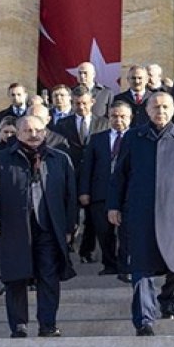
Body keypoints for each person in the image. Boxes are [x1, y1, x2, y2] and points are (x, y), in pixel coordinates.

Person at [108, 92, 174, 336]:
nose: (160, 111)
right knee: (141, 267)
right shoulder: (133, 137)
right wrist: (114, 205)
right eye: (155, 107)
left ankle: (168, 299)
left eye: (165, 107)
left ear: (173, 110)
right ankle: (144, 320)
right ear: (147, 111)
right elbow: (120, 174)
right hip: (140, 212)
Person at [0, 114, 77, 337]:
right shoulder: (1, 159)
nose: (33, 135)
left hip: (49, 228)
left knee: (49, 277)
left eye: (38, 130)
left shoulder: (60, 159)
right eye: (27, 131)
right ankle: (19, 326)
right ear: (18, 133)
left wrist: (69, 227)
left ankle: (48, 325)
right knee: (15, 278)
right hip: (13, 228)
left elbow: (70, 196)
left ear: (45, 132)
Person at [53, 87, 108, 263]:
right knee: (70, 214)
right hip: (71, 174)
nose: (81, 107)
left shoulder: (103, 123)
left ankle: (87, 250)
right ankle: (67, 248)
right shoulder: (62, 124)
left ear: (92, 102)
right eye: (77, 104)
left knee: (92, 216)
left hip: (95, 176)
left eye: (84, 103)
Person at [79, 101, 132, 277]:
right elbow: (87, 167)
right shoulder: (97, 139)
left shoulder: (136, 137)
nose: (118, 120)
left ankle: (125, 266)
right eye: (114, 116)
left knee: (126, 232)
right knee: (103, 231)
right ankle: (109, 264)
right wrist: (84, 191)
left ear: (130, 117)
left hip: (127, 193)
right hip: (101, 192)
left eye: (122, 116)